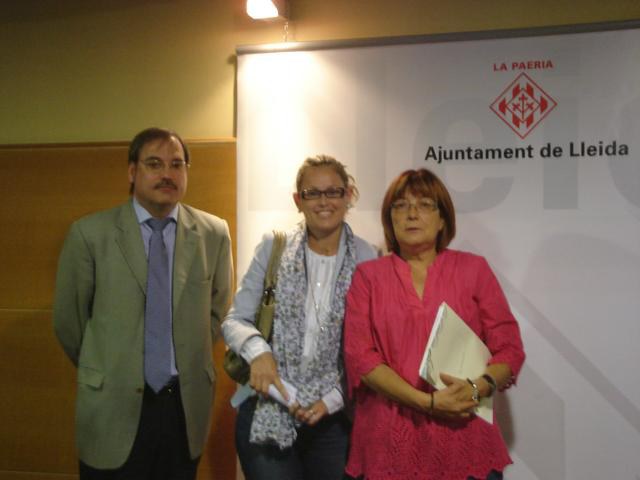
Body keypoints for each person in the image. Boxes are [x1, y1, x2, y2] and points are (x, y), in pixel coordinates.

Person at [53, 127, 233, 480]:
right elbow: (69, 322)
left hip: (183, 409)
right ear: (132, 171)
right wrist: (105, 367)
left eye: (176, 164)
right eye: (154, 164)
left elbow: (219, 312)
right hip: (111, 405)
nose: (167, 174)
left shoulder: (213, 233)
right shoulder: (90, 234)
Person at [343, 168, 525, 480]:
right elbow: (360, 356)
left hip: (464, 434)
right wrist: (427, 402)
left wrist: (475, 388)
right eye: (401, 205)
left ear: (443, 220)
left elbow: (509, 347)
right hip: (389, 441)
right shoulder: (368, 277)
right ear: (390, 219)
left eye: (425, 204)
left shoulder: (473, 269)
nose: (412, 214)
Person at [222, 155, 378, 480]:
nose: (323, 201)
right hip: (268, 405)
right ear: (298, 200)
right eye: (312, 193)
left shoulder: (367, 257)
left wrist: (332, 400)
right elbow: (235, 320)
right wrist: (259, 353)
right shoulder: (274, 247)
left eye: (333, 192)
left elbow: (370, 344)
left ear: (348, 195)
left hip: (334, 417)